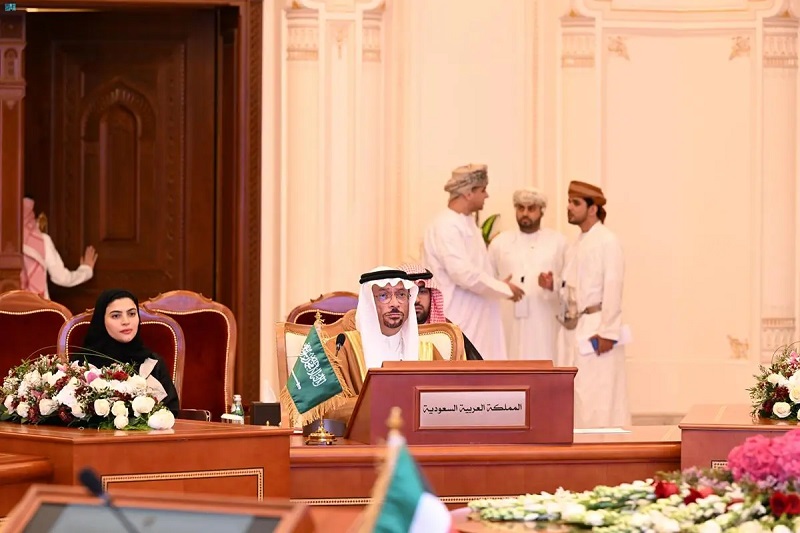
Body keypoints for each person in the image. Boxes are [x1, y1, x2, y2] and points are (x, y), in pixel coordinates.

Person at [540, 181, 629, 428]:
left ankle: (603, 446)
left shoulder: (607, 241)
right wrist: (553, 284)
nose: (569, 207)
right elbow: (575, 286)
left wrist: (608, 331)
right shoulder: (576, 243)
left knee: (598, 394)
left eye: (575, 203)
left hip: (597, 327)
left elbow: (613, 285)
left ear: (593, 209)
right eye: (569, 202)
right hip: (574, 326)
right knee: (577, 395)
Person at [422, 164, 524, 360]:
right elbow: (462, 273)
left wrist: (498, 285)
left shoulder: (467, 223)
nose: (486, 195)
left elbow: (476, 270)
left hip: (477, 320)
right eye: (483, 190)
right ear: (468, 193)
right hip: (459, 318)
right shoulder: (446, 225)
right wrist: (503, 288)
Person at [488, 187, 566, 361]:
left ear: (541, 211)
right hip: (508, 319)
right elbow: (487, 281)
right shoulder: (500, 243)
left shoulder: (558, 242)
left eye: (531, 208)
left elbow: (569, 284)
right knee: (508, 362)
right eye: (520, 208)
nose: (525, 213)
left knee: (544, 361)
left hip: (543, 319)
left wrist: (552, 284)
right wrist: (501, 287)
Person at [74, 288, 180, 415]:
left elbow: (172, 413)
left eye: (132, 314)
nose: (126, 321)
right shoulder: (82, 364)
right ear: (101, 320)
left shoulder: (153, 364)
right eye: (116, 316)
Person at [397, 262, 484, 360]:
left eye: (422, 292)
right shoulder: (389, 333)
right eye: (409, 293)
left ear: (431, 296)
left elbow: (476, 365)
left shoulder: (448, 331)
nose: (416, 300)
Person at [20, 197, 98, 300]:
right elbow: (61, 278)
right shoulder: (42, 240)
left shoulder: (5, 243)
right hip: (36, 305)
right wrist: (86, 270)